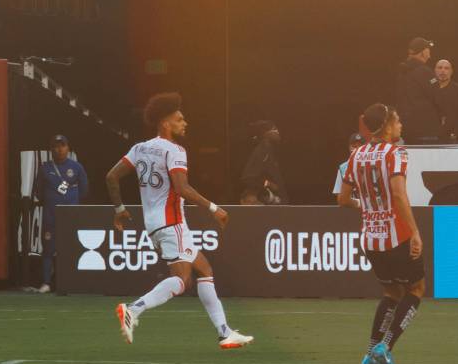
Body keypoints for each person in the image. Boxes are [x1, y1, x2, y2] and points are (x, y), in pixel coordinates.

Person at [108, 93, 252, 349]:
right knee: (182, 280)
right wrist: (214, 207)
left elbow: (111, 177)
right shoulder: (175, 150)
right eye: (179, 119)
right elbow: (182, 188)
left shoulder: (139, 148)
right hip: (171, 222)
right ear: (166, 123)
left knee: (205, 270)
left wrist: (119, 209)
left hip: (155, 224)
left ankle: (224, 332)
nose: (185, 123)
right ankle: (133, 309)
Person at [335, 103, 424, 364]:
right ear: (386, 126)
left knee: (391, 292)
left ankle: (368, 354)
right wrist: (415, 232)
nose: (400, 126)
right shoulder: (395, 154)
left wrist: (367, 207)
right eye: (397, 122)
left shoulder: (356, 155)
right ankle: (384, 346)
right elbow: (398, 194)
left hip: (370, 237)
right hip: (396, 233)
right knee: (416, 289)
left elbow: (342, 199)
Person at [32, 134, 89, 292]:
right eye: (56, 146)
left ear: (68, 148)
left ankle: (71, 282)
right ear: (51, 149)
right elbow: (39, 192)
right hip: (51, 216)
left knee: (71, 248)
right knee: (49, 249)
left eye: (62, 145)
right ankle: (46, 283)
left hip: (71, 216)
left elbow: (84, 191)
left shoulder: (77, 167)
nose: (59, 149)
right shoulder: (45, 168)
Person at [395, 38, 439, 142]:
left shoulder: (401, 72)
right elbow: (438, 95)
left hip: (406, 131)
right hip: (426, 130)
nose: (429, 55)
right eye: (428, 51)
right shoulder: (425, 72)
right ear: (423, 53)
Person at [239, 120, 284, 205]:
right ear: (266, 133)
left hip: (275, 204)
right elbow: (248, 177)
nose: (277, 131)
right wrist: (268, 184)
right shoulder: (262, 150)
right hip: (264, 204)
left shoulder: (270, 150)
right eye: (274, 129)